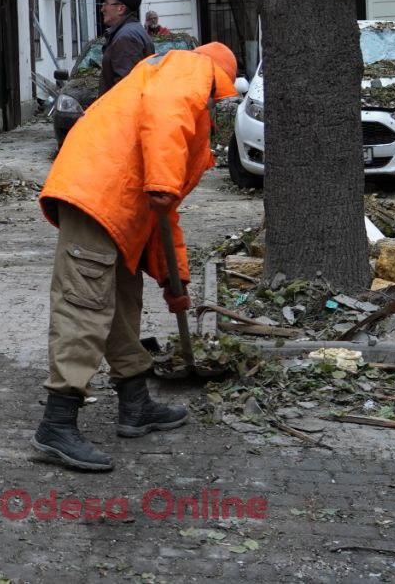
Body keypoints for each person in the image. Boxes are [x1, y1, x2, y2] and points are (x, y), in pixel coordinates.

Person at [31, 41, 239, 471]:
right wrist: (163, 183)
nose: (217, 105)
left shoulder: (172, 87)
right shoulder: (187, 69)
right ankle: (56, 425)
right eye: (218, 97)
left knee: (122, 302)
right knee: (84, 305)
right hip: (97, 194)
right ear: (219, 77)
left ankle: (136, 405)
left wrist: (173, 281)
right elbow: (165, 115)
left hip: (117, 204)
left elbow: (166, 213)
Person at [97, 0, 154, 95]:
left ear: (121, 9)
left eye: (106, 4)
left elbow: (127, 89)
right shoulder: (132, 30)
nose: (102, 9)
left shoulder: (126, 38)